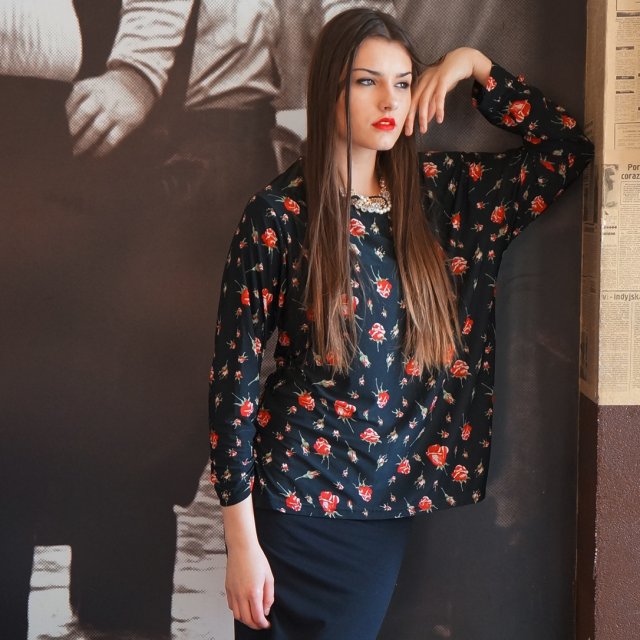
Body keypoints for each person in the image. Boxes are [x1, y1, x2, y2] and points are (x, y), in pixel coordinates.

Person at [208, 8, 594, 639]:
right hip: (293, 503)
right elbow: (234, 383)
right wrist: (241, 543)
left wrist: (473, 65)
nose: (390, 100)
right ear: (329, 89)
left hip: (385, 506)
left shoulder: (445, 195)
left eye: (403, 82)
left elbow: (567, 151)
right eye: (367, 82)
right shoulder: (278, 214)